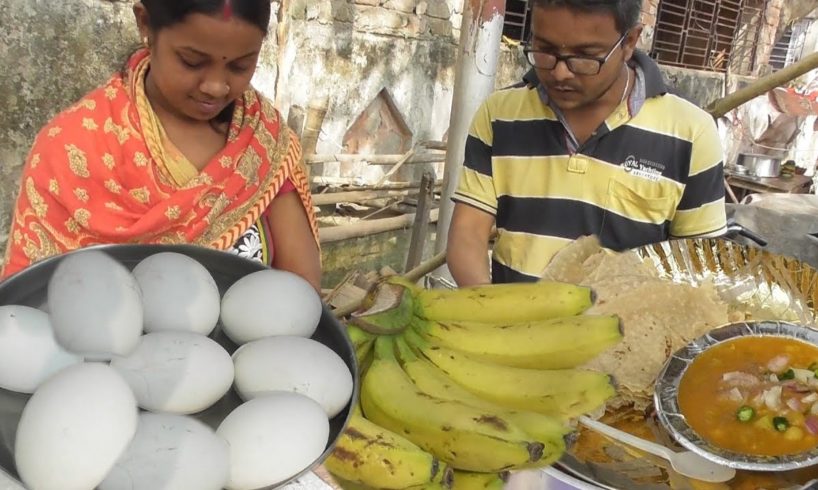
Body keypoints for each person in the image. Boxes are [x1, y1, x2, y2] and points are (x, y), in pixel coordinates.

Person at [1, 0, 322, 290]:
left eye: (240, 66)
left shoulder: (262, 138)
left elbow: (300, 286)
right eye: (192, 61)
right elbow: (31, 301)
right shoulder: (73, 148)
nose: (215, 86)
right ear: (145, 24)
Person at [446, 0, 727, 286]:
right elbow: (467, 233)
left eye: (585, 57)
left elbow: (698, 274)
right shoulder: (500, 114)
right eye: (545, 50)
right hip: (507, 325)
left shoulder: (691, 133)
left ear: (629, 41)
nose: (560, 73)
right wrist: (487, 313)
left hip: (627, 329)